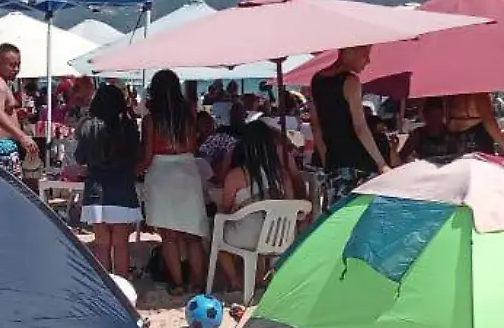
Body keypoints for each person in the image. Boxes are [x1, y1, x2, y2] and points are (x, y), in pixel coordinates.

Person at [141, 69, 208, 296]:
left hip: (161, 172)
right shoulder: (189, 115)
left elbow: (147, 157)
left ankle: (178, 283)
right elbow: (193, 148)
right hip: (187, 170)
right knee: (193, 235)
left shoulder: (151, 120)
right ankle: (197, 282)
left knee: (168, 236)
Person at [216, 121, 293, 293]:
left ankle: (235, 280)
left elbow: (226, 208)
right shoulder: (282, 175)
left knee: (218, 236)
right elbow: (290, 203)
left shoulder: (236, 175)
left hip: (246, 237)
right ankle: (260, 278)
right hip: (278, 236)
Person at [75, 84, 142, 279]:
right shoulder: (128, 127)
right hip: (122, 188)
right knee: (121, 244)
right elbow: (137, 156)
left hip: (95, 189)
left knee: (101, 243)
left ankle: (105, 289)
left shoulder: (88, 126)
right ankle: (122, 287)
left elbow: (80, 158)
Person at [310, 45, 389, 209]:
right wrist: (382, 164)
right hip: (359, 164)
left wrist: (327, 161)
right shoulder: (351, 81)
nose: (368, 61)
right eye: (365, 54)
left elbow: (316, 127)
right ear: (350, 51)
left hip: (335, 162)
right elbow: (360, 127)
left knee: (337, 216)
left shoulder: (317, 80)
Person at [0, 43, 39, 176]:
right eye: (12, 65)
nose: (16, 69)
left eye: (18, 65)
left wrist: (14, 114)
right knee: (8, 188)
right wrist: (22, 137)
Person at [398, 97, 452, 162]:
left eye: (437, 116)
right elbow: (401, 156)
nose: (434, 121)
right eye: (431, 117)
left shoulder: (450, 133)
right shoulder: (417, 135)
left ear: (443, 115)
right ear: (424, 116)